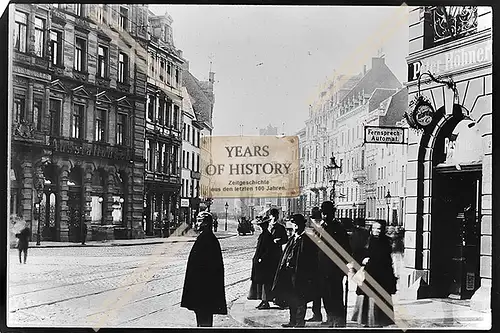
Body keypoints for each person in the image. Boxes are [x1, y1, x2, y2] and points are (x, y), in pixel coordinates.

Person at [272, 214, 319, 327]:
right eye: (294, 224)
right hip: (289, 273)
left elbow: (311, 260)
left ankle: (299, 323)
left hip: (301, 275)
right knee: (291, 297)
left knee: (300, 299)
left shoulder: (307, 239)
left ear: (302, 225)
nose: (295, 227)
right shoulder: (293, 238)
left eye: (297, 224)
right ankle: (292, 321)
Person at [181, 212, 227, 327]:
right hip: (202, 289)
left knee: (204, 318)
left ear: (206, 223)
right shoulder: (205, 238)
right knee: (202, 316)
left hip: (203, 289)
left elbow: (209, 268)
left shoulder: (207, 240)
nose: (197, 223)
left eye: (199, 221)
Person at [351, 220, 397, 327]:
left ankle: (379, 322)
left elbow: (388, 260)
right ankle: (366, 321)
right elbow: (357, 253)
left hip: (382, 275)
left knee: (379, 297)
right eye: (374, 228)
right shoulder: (366, 240)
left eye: (379, 229)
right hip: (368, 273)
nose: (376, 231)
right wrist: (362, 260)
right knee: (367, 297)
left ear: (382, 230)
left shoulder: (386, 242)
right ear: (371, 229)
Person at [318, 201, 351, 327]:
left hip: (334, 268)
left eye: (327, 213)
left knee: (335, 294)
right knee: (326, 294)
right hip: (323, 267)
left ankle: (339, 320)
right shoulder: (323, 226)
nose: (325, 216)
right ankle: (330, 317)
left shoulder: (338, 227)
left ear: (333, 213)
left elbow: (346, 248)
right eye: (324, 213)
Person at [248, 217, 275, 309]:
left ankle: (265, 301)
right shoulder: (263, 235)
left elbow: (268, 250)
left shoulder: (267, 236)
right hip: (260, 264)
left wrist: (261, 258)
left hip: (265, 264)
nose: (260, 227)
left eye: (261, 226)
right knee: (261, 283)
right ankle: (263, 301)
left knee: (265, 283)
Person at [268, 208, 288, 308]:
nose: (274, 217)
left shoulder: (281, 227)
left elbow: (285, 239)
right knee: (268, 277)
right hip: (268, 254)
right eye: (272, 215)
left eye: (275, 215)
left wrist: (279, 241)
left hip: (276, 254)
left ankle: (277, 298)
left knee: (276, 276)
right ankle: (267, 298)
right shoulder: (267, 226)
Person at [305, 207, 323, 323]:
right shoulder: (312, 230)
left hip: (320, 265)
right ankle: (317, 314)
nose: (314, 221)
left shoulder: (321, 230)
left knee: (319, 292)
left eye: (316, 220)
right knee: (316, 292)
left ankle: (319, 314)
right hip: (314, 265)